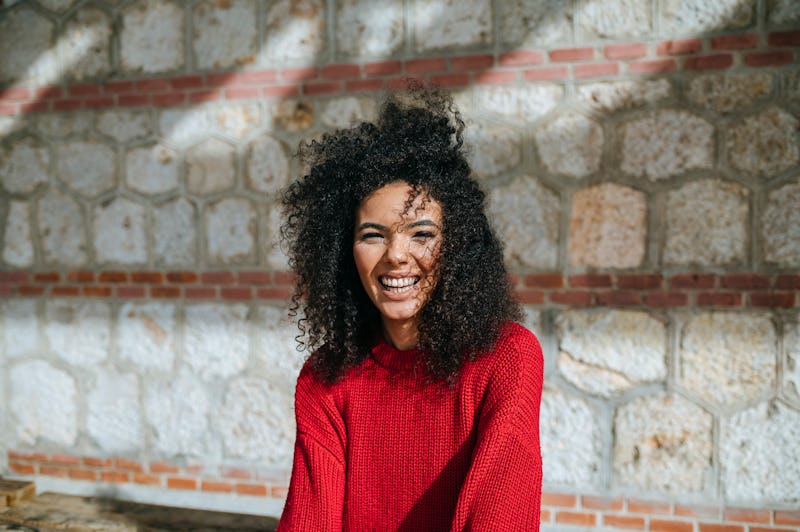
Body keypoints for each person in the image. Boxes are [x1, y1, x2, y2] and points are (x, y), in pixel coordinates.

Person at [276, 85, 543, 531]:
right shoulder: (325, 379)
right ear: (344, 253)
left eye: (421, 234)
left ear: (455, 246)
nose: (396, 255)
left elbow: (499, 515)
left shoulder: (507, 357)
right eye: (372, 235)